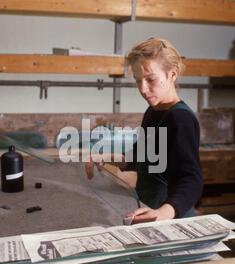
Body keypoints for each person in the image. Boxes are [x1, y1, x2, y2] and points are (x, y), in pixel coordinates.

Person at [87, 38, 203, 224]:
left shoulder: (180, 119)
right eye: (138, 80)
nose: (143, 89)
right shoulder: (154, 111)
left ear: (172, 75)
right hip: (148, 209)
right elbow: (142, 157)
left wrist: (163, 212)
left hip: (171, 217)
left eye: (150, 79)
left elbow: (191, 180)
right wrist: (107, 156)